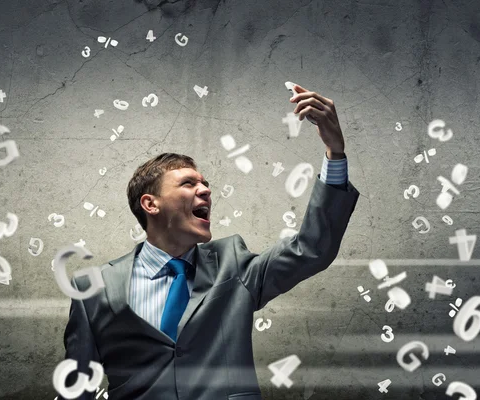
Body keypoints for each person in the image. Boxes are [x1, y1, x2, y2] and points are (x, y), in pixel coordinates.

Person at [62, 84, 360, 400]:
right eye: (188, 183)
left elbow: (312, 248)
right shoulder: (92, 289)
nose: (205, 190)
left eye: (205, 184)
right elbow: (77, 388)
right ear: (151, 204)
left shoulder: (235, 264)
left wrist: (334, 152)